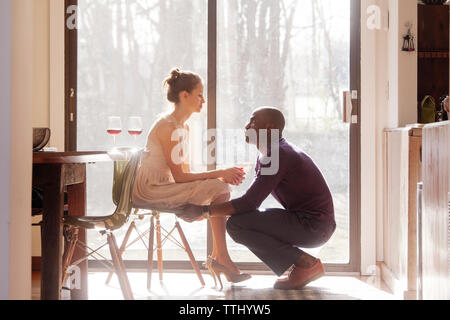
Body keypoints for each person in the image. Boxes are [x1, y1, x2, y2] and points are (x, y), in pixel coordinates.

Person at [178, 107, 337, 290]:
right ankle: (302, 264)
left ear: (269, 128)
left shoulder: (277, 154)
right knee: (241, 221)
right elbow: (251, 201)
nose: (246, 126)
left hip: (314, 226)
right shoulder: (273, 153)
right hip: (313, 224)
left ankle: (306, 264)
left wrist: (204, 211)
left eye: (252, 121)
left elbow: (250, 202)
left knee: (237, 224)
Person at [132, 68, 251, 287]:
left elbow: (185, 172)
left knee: (219, 187)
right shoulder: (168, 127)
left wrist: (219, 177)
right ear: (184, 95)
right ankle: (220, 258)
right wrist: (219, 173)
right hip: (151, 189)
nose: (203, 100)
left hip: (165, 185)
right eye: (199, 94)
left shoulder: (182, 127)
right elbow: (180, 177)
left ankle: (219, 256)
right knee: (219, 187)